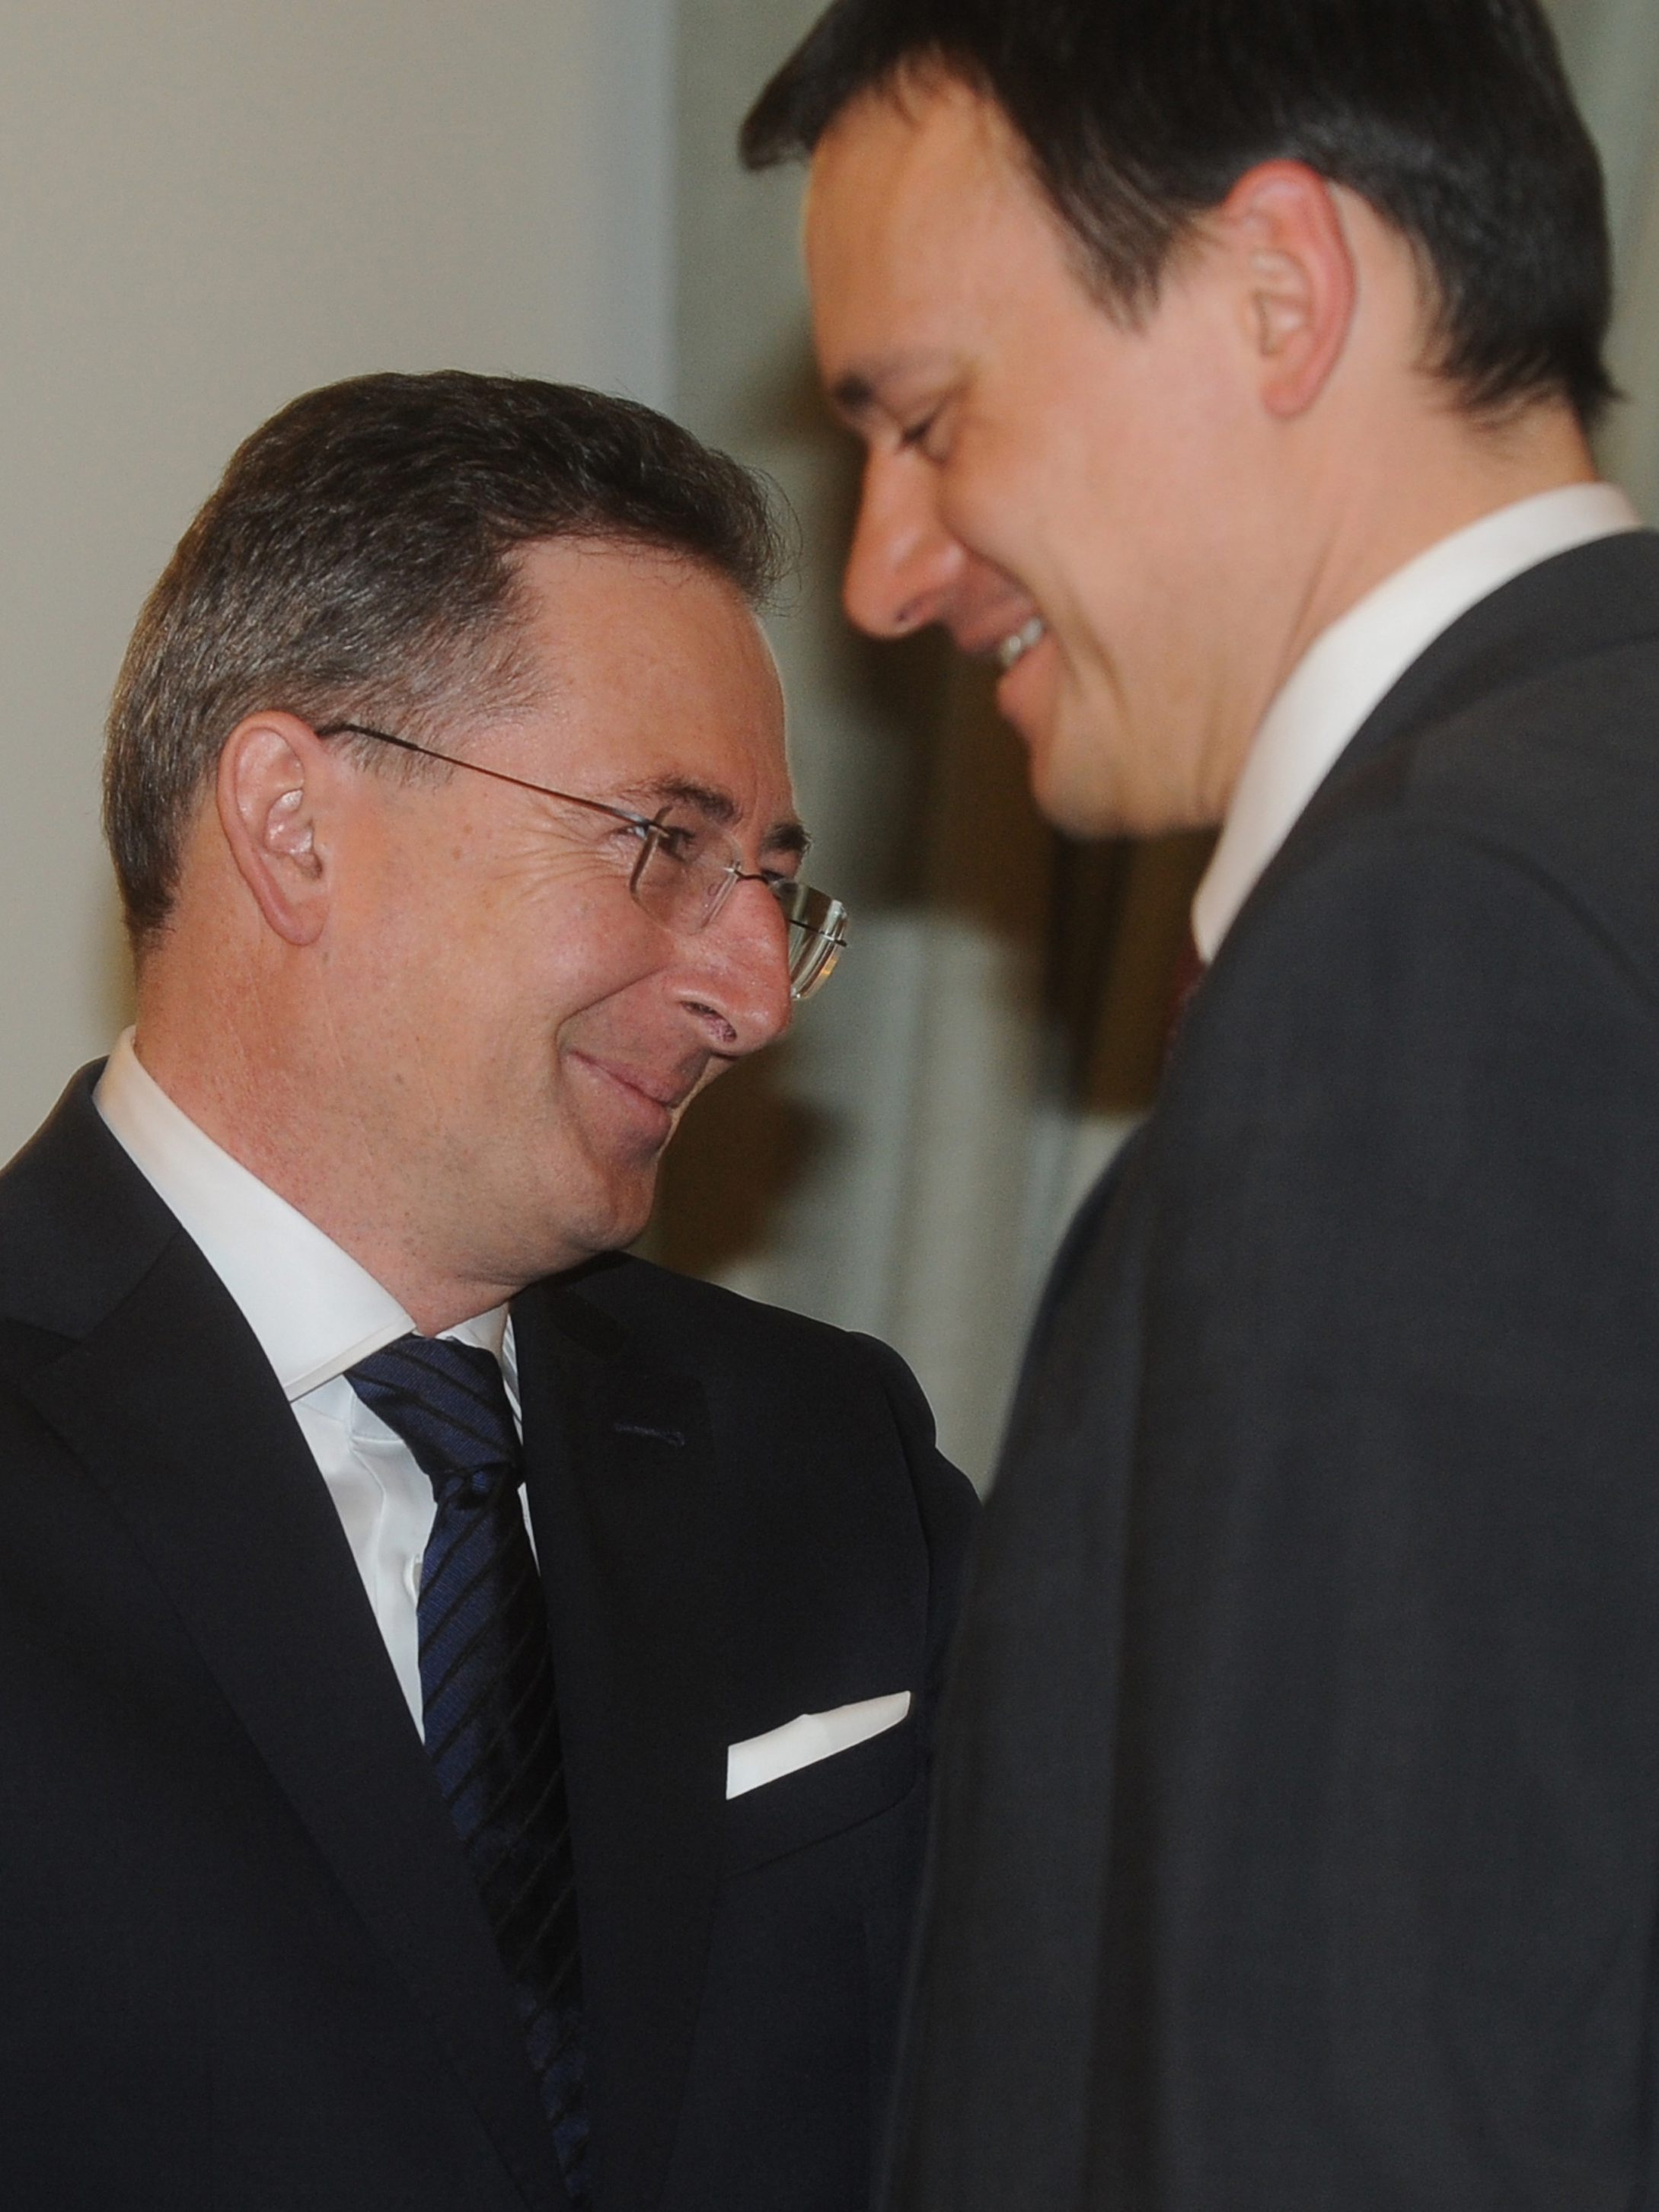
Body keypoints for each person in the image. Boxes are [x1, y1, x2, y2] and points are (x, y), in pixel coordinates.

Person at [742, 2, 1659, 2205]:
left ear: (1276, 290)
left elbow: (1362, 2104)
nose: (882, 572)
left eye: (928, 421)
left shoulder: (1430, 950)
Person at [0, 370, 975, 2212]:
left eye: (775, 888)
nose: (752, 995)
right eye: (663, 844)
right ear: (295, 824)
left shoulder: (830, 1454)